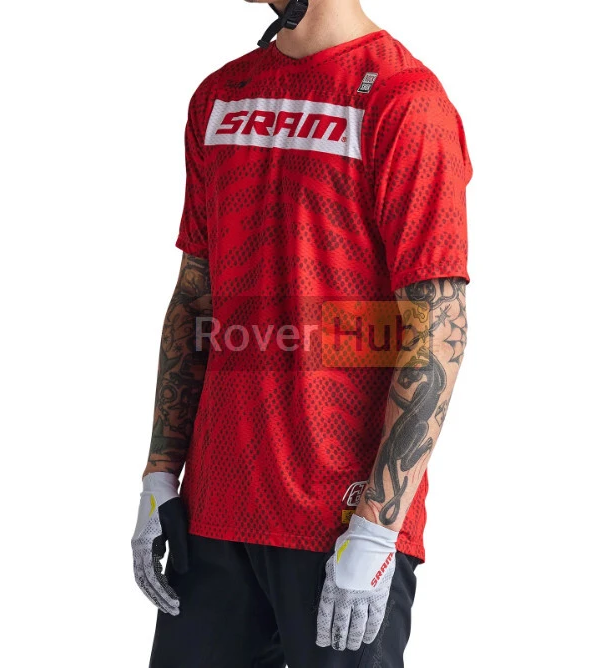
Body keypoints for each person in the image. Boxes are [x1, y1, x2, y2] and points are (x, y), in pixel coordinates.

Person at [131, 1, 472, 666]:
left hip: (338, 523)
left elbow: (436, 326)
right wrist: (159, 473)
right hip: (213, 512)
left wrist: (377, 527)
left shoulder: (404, 101)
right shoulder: (220, 96)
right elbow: (196, 295)